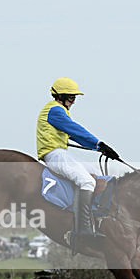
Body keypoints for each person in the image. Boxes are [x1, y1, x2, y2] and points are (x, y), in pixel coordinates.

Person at [36, 77, 120, 246]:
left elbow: (74, 135)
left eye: (74, 97)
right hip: (54, 154)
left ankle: (96, 215)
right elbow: (75, 130)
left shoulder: (59, 110)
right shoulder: (55, 110)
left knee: (94, 174)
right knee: (87, 181)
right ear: (61, 96)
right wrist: (99, 144)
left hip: (59, 152)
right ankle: (83, 228)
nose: (74, 101)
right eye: (71, 97)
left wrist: (99, 148)